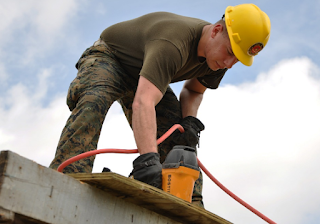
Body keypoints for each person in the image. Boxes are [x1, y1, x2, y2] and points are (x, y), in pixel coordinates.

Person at [49, 3, 271, 208]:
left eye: (237, 60)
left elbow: (193, 90)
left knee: (180, 135)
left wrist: (189, 120)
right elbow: (143, 102)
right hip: (111, 58)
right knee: (94, 101)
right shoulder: (173, 44)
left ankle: (188, 200)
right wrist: (147, 160)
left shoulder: (219, 60)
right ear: (215, 31)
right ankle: (67, 175)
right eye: (230, 53)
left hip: (146, 75)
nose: (229, 64)